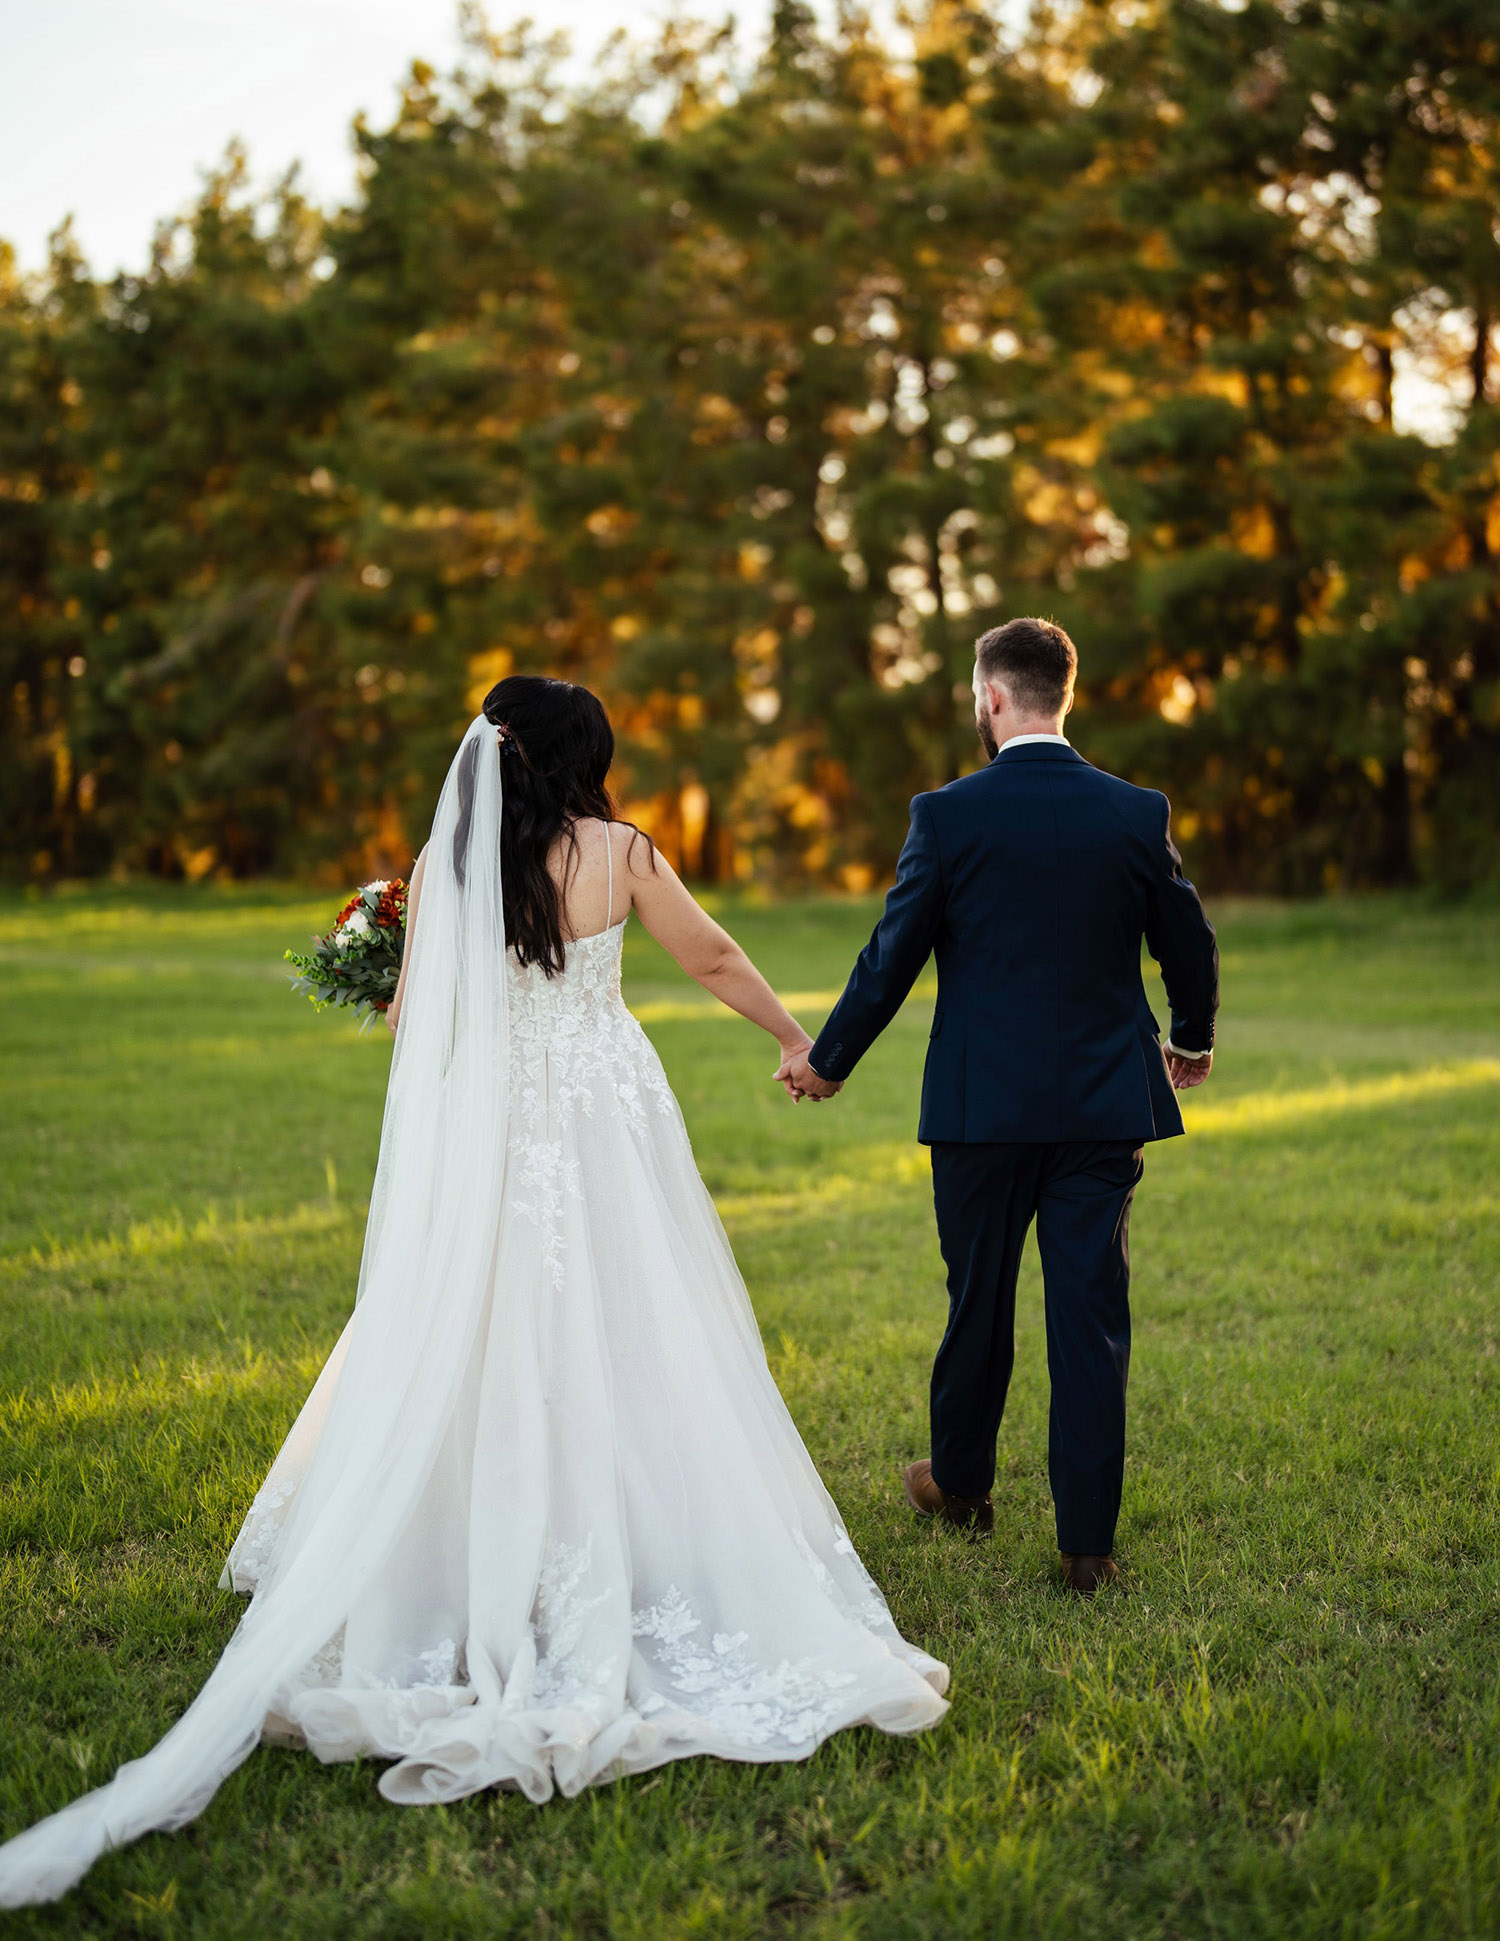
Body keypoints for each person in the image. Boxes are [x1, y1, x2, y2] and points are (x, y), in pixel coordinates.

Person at [0, 676, 947, 1910]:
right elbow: (707, 950)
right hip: (601, 1124)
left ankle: (447, 1550)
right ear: (585, 755)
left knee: (475, 1317)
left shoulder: (449, 859)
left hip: (494, 1135)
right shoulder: (620, 850)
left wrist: (382, 983)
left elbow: (414, 1021)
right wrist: (788, 1036)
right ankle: (630, 1542)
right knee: (629, 1323)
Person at [778, 618, 1219, 1597]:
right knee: (1091, 1315)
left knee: (978, 1299)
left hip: (981, 1108)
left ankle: (964, 1486)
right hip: (1104, 1103)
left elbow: (892, 955)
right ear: (1065, 694)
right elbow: (1187, 935)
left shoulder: (947, 815)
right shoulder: (1134, 810)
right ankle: (1087, 1549)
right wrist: (1190, 1035)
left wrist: (829, 1058)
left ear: (990, 698)